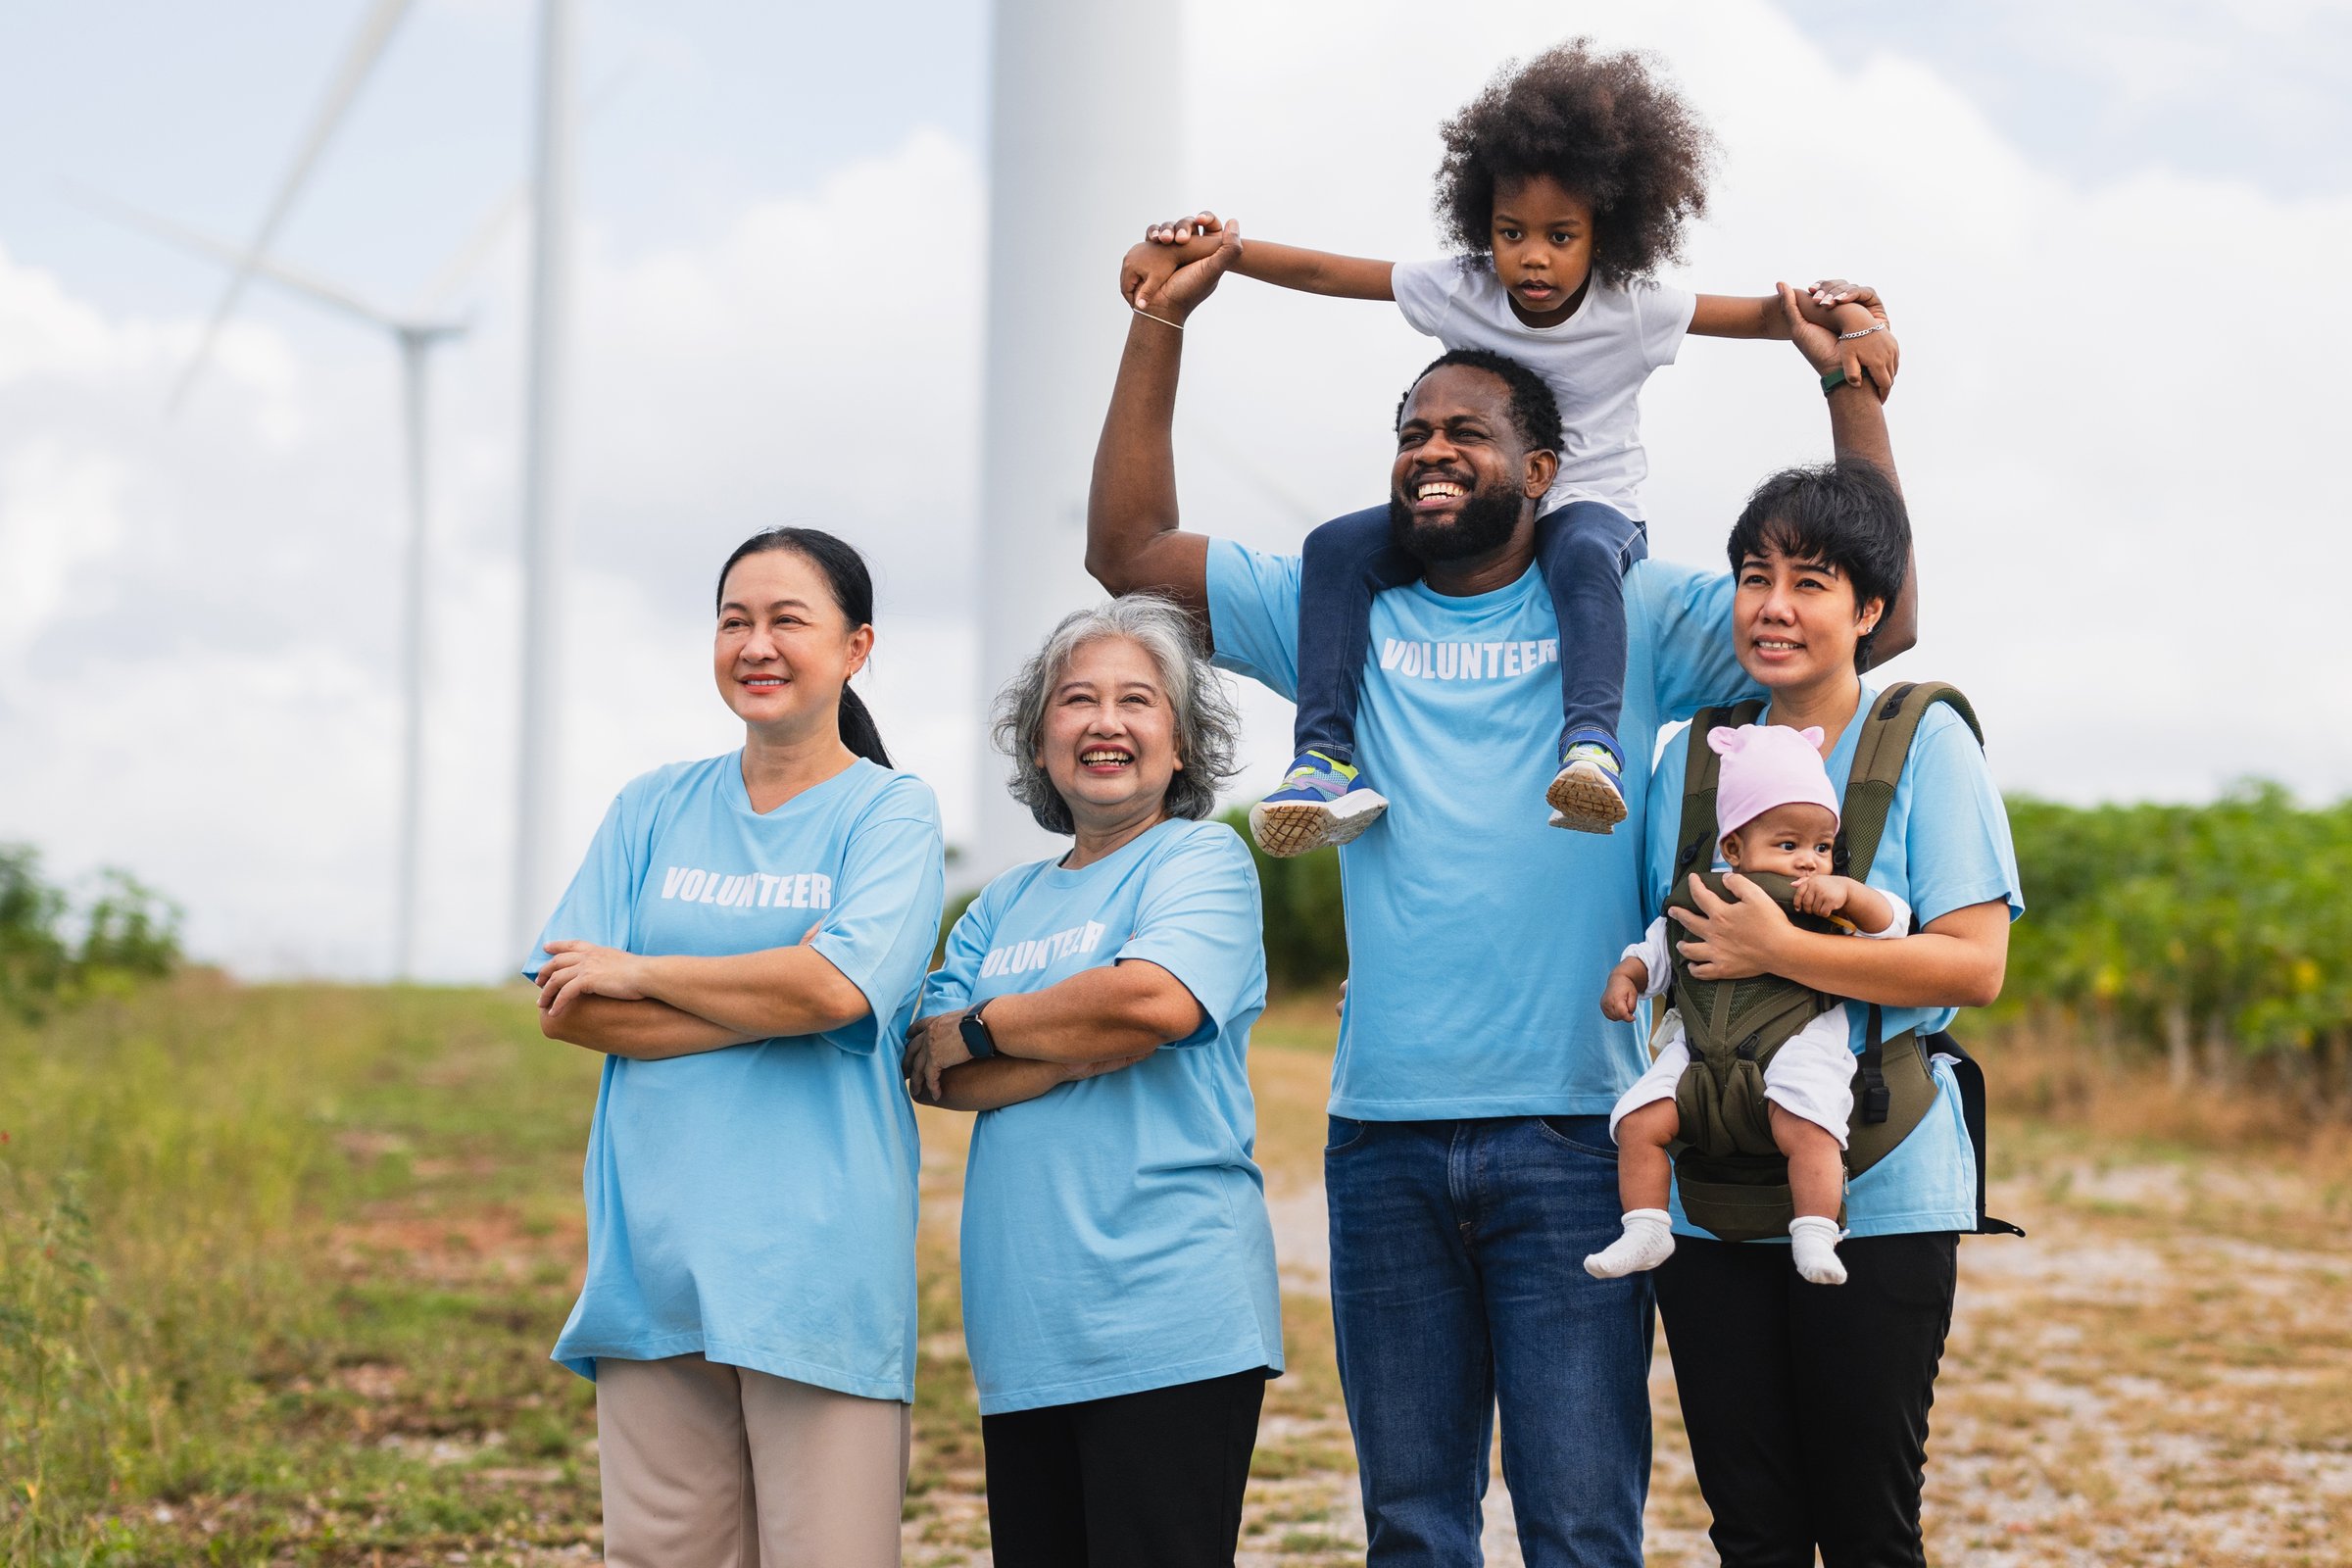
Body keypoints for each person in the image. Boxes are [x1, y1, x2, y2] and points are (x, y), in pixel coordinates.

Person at [1084, 221, 1913, 1566]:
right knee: (1414, 1526)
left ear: (1542, 470)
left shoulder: (1632, 609)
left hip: (1577, 1137)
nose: (1430, 452)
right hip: (1384, 1135)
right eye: (1413, 431)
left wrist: (1849, 390)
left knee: (1581, 1526)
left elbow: (1883, 610)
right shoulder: (1331, 612)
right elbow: (1129, 549)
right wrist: (1161, 320)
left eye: (1466, 432)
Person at [1124, 38, 1896, 855]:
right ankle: (1324, 757)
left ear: (1607, 233)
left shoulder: (1633, 308)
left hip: (1595, 513)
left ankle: (1592, 746)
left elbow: (1771, 317)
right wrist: (1211, 254)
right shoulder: (1462, 288)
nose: (1533, 257)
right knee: (1335, 546)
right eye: (1510, 232)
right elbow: (1325, 273)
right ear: (1480, 226)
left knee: (1578, 554)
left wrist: (1856, 322)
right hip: (1480, 516)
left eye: (1562, 235)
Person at [526, 527, 945, 1568]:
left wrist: (645, 967)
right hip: (652, 1268)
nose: (756, 644)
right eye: (734, 621)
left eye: (787, 620)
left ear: (856, 648)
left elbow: (840, 986)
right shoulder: (652, 806)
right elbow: (569, 1002)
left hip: (815, 1273)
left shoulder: (890, 814)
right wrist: (775, 988)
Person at [1642, 461, 2020, 1566]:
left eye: (1811, 581)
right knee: (1752, 1530)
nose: (1773, 604)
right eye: (1754, 576)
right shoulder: (1691, 762)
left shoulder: (1925, 743)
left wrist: (1787, 947)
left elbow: (1973, 964)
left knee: (1866, 1524)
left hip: (1884, 1182)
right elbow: (1652, 942)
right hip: (1709, 1191)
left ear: (1868, 610)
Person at [903, 595, 1281, 1568]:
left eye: (1137, 701)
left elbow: (1155, 1004)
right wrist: (1080, 1039)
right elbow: (930, 1069)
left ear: (1183, 742)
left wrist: (988, 1023)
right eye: (1076, 701)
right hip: (1026, 1326)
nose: (1105, 723)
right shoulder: (1002, 902)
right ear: (1039, 741)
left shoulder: (1203, 859)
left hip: (1170, 1314)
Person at [1587, 721, 1911, 1288]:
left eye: (1822, 847)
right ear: (1733, 848)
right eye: (1788, 845)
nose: (1809, 861)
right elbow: (1658, 948)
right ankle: (1646, 1227)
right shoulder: (1703, 896)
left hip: (1797, 1049)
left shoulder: (1827, 904)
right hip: (1696, 1059)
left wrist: (1853, 895)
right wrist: (1626, 977)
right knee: (1636, 1122)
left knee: (1812, 1128)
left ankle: (1815, 1229)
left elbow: (1894, 931)